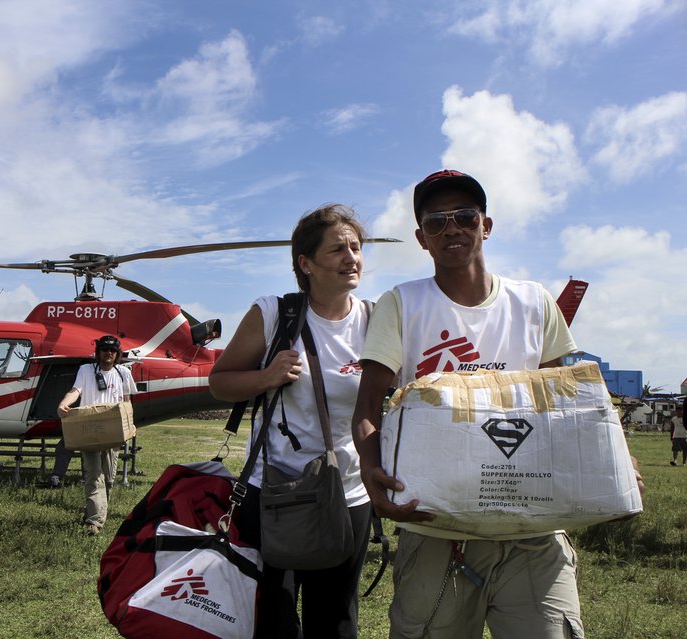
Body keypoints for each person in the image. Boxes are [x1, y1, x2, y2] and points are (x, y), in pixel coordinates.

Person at [352, 169, 646, 639]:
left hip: (533, 533)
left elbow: (572, 401)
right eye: (436, 221)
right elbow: (368, 405)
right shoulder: (401, 304)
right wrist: (370, 470)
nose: (452, 228)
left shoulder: (534, 303)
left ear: (485, 225)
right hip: (434, 530)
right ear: (421, 238)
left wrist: (618, 457)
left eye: (465, 216)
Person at [208, 204, 375, 639]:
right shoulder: (273, 314)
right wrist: (265, 377)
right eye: (337, 249)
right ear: (306, 263)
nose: (351, 258)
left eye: (356, 247)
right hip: (274, 494)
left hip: (348, 493)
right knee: (273, 621)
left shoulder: (376, 320)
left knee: (336, 620)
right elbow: (219, 383)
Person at [57, 335, 137, 535]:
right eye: (104, 349)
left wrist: (129, 426)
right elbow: (76, 390)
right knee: (94, 476)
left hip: (113, 430)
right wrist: (65, 403)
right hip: (89, 429)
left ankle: (98, 512)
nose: (108, 353)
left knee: (109, 478)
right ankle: (94, 521)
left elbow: (127, 402)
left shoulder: (124, 373)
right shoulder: (85, 370)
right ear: (98, 352)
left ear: (117, 354)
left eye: (112, 350)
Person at [670, 400, 687, 466]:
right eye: (677, 411)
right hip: (676, 436)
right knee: (675, 449)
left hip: (685, 436)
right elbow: (672, 429)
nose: (679, 412)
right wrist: (671, 437)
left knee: (685, 450)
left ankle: (684, 462)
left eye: (680, 411)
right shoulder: (674, 419)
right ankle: (675, 461)